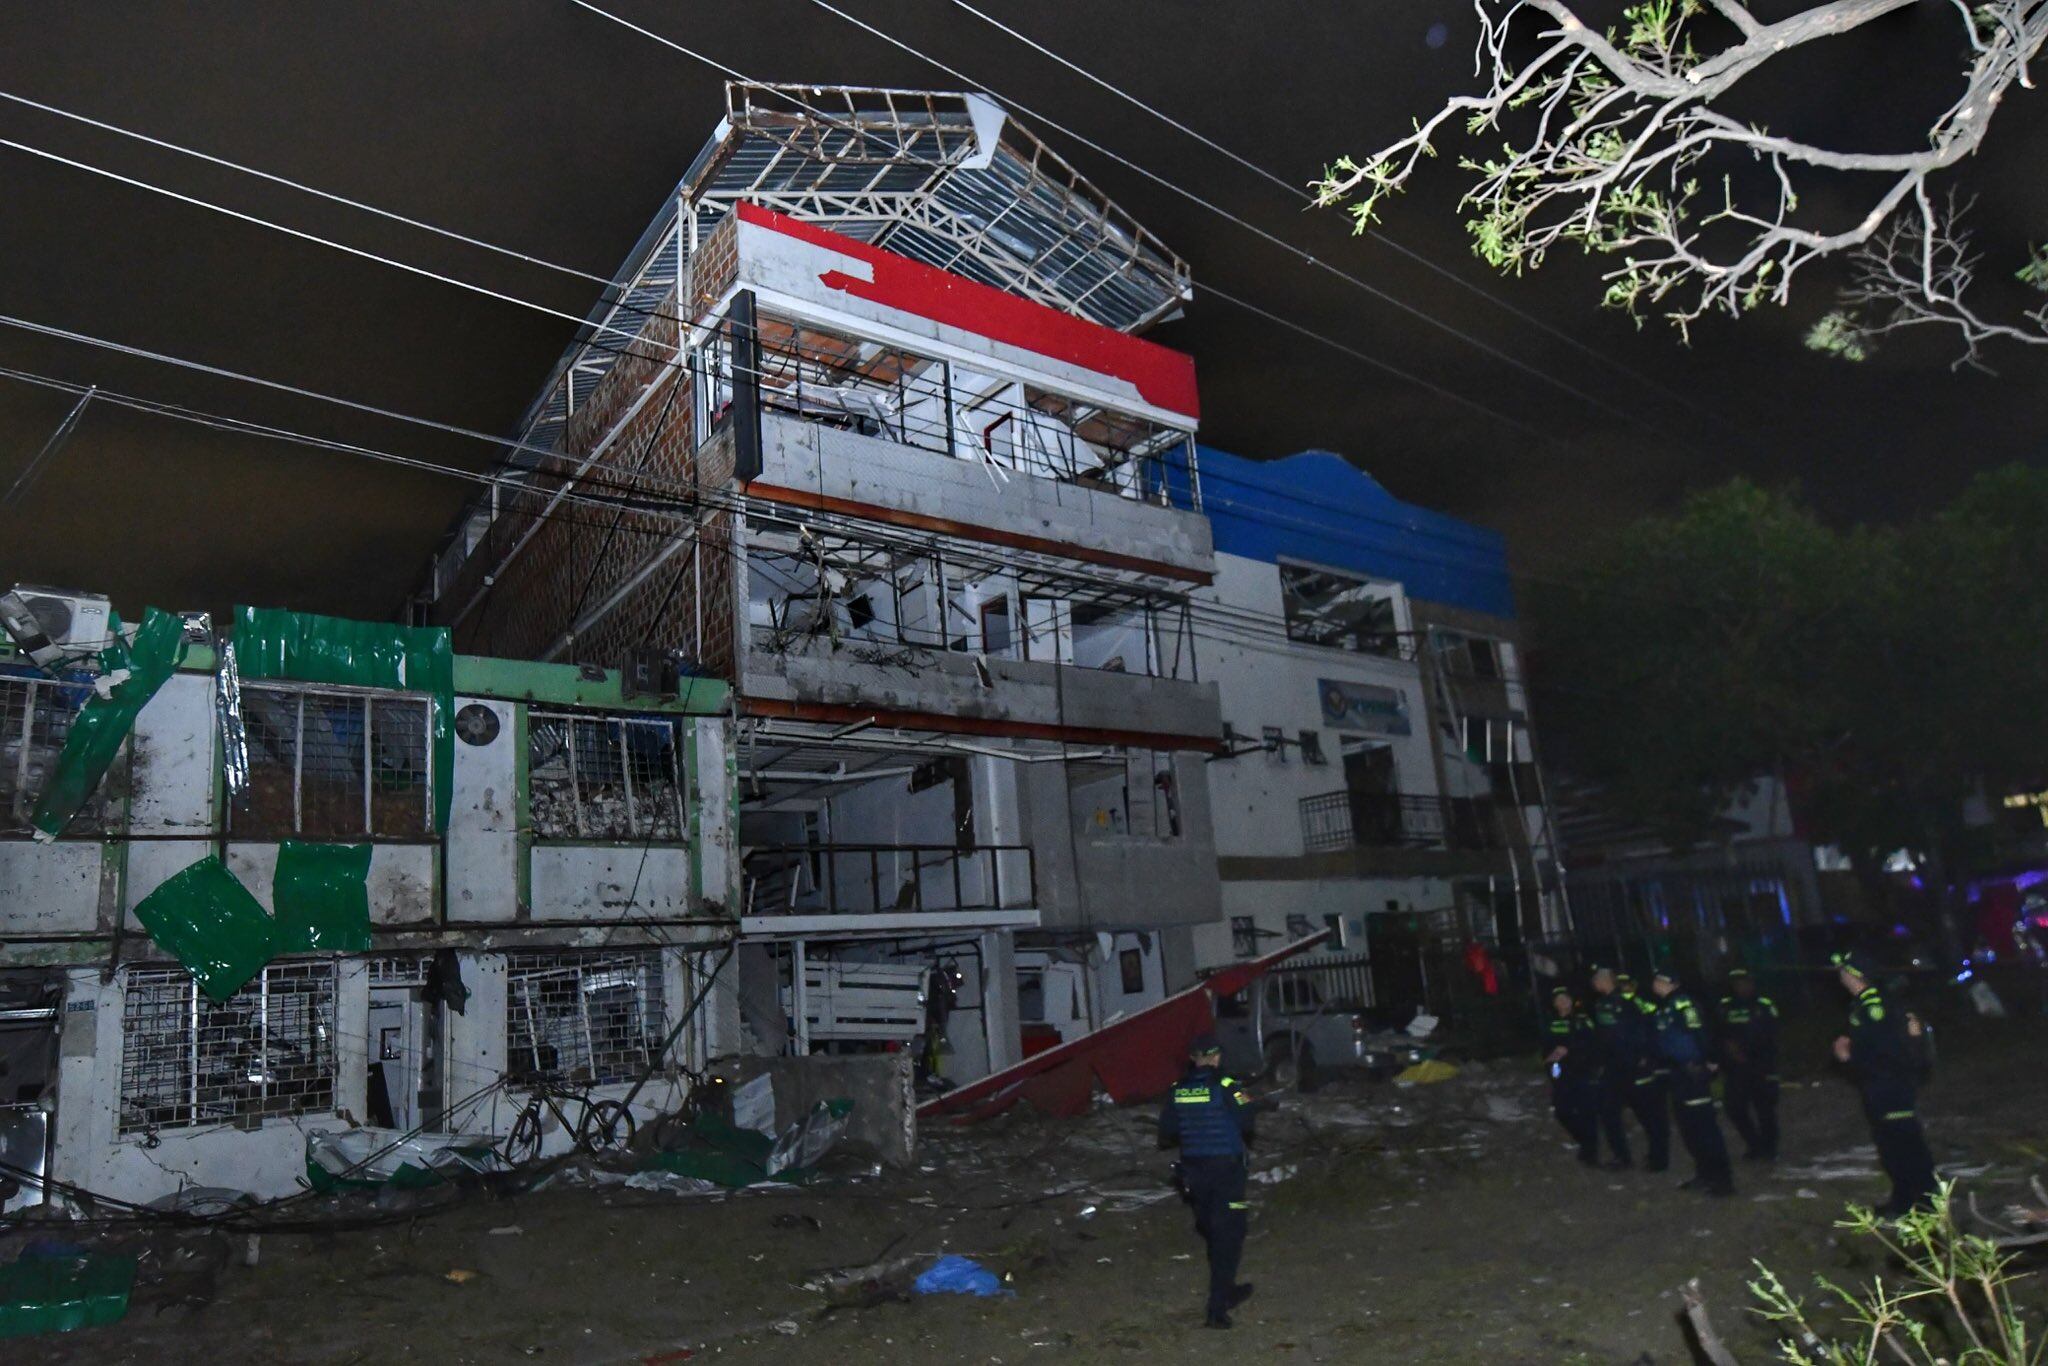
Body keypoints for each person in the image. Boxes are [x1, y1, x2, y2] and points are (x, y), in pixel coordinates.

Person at [1158, 1033, 1263, 1328]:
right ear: (1216, 1057)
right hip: (1226, 1172)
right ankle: (1218, 1307)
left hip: (1194, 1174)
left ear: (1193, 1058)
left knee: (1214, 1232)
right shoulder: (1228, 1085)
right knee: (1229, 1234)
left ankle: (1226, 1288)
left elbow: (1167, 1129)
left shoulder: (1178, 1089)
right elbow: (1247, 1120)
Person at [1831, 950, 1939, 1216]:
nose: (1840, 976)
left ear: (1854, 975)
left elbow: (1881, 1051)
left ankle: (1927, 1203)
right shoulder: (1867, 1004)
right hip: (1883, 1084)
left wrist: (1847, 1057)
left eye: (1844, 970)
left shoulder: (1873, 1007)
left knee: (1904, 1143)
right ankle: (1904, 1200)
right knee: (1891, 1144)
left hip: (1889, 1085)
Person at [1649, 969, 1734, 1195]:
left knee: (1704, 1127)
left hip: (1691, 1072)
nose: (1654, 984)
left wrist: (1707, 1061)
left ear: (1671, 983)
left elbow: (1700, 1034)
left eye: (1659, 980)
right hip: (1676, 1073)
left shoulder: (1683, 1005)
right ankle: (1704, 1174)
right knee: (1689, 1128)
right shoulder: (1665, 1006)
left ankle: (1722, 1180)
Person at [1718, 967, 1781, 1161]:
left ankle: (1769, 1149)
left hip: (1761, 1065)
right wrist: (1728, 1051)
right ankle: (1754, 1144)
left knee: (1765, 1109)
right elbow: (1718, 1032)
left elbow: (1772, 1034)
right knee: (1734, 1107)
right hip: (1736, 1068)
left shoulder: (1764, 1004)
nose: (1741, 986)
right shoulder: (1725, 1005)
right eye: (1737, 983)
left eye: (1744, 982)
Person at [1543, 985, 1601, 1166]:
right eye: (1559, 999)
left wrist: (1570, 1050)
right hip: (1561, 1072)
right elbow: (1548, 1052)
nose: (1563, 1002)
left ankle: (1590, 1151)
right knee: (1562, 1110)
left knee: (1586, 1112)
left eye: (1565, 998)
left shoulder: (1582, 1020)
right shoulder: (1550, 1023)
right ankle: (1584, 1141)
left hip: (1581, 1072)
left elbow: (1592, 1043)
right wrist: (1554, 1072)